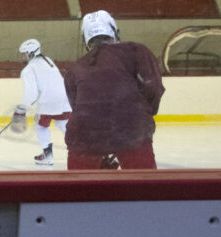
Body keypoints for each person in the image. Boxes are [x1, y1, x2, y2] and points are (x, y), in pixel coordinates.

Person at [63, 10, 164, 170]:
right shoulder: (136, 51)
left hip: (83, 136)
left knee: (79, 191)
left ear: (86, 39)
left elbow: (77, 105)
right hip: (132, 129)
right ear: (115, 31)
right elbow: (153, 87)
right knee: (145, 188)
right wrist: (140, 115)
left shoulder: (75, 68)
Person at [11, 38, 72, 167]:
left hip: (48, 102)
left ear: (31, 53)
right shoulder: (48, 60)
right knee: (64, 125)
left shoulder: (28, 70)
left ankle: (47, 155)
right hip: (64, 99)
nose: (22, 57)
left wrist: (21, 110)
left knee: (40, 126)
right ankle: (83, 150)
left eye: (24, 54)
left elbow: (31, 93)